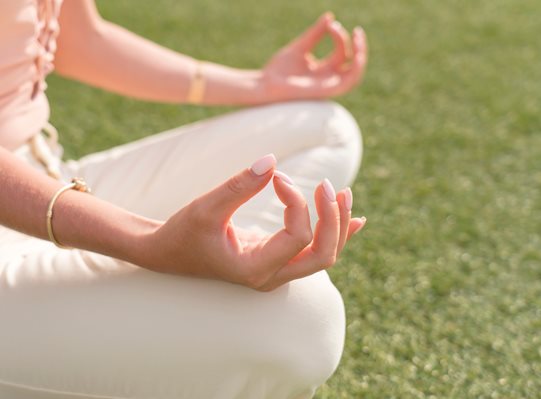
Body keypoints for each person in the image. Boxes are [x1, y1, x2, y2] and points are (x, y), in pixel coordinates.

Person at [0, 0, 368, 398]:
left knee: (322, 130)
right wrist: (146, 242)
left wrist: (258, 85)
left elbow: (80, 38)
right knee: (304, 321)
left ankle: (208, 288)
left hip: (40, 173)